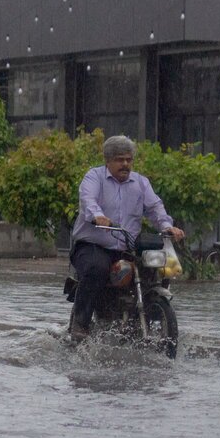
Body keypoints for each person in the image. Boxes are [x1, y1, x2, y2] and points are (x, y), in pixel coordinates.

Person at [68, 135, 185, 340]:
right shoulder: (94, 177)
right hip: (93, 245)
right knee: (97, 268)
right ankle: (81, 324)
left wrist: (168, 226)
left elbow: (155, 207)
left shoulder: (140, 182)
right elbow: (88, 200)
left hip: (127, 247)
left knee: (157, 269)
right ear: (108, 160)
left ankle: (152, 311)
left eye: (129, 159)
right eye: (120, 159)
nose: (125, 164)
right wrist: (98, 216)